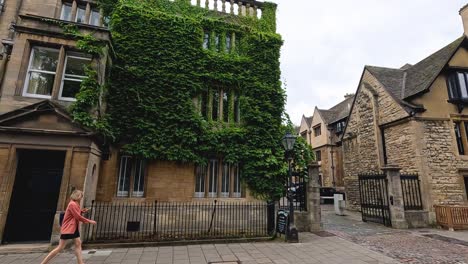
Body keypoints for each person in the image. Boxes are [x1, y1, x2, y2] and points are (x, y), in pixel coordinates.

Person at [41, 190, 96, 264]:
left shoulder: (75, 203)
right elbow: (77, 217)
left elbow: (75, 213)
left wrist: (82, 211)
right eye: (81, 196)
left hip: (73, 228)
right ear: (77, 196)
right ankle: (43, 263)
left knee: (78, 243)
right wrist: (89, 221)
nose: (81, 197)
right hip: (69, 228)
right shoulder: (72, 204)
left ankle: (80, 263)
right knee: (60, 247)